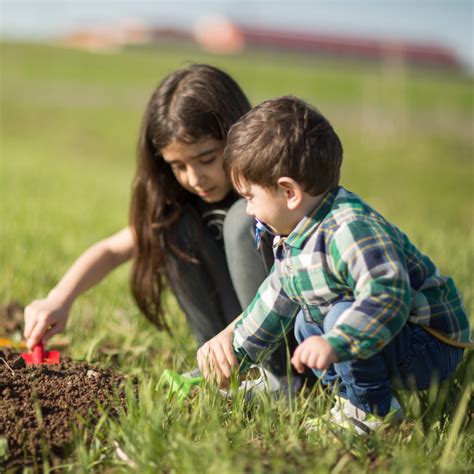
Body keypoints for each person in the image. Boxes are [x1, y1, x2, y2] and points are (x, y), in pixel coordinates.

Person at [197, 96, 472, 433]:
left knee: (337, 317)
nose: (249, 211)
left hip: (429, 343)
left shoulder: (349, 229)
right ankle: (354, 398)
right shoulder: (296, 234)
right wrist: (238, 355)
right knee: (304, 322)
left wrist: (336, 342)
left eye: (251, 197)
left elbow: (388, 297)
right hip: (384, 336)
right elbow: (273, 300)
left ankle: (372, 411)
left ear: (289, 192)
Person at [23, 64, 291, 385]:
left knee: (239, 223)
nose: (194, 178)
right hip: (226, 340)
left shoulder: (272, 199)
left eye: (207, 159)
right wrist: (58, 299)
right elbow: (112, 249)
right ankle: (216, 365)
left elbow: (292, 281)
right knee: (168, 226)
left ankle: (277, 376)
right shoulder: (182, 202)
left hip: (288, 338)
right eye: (178, 165)